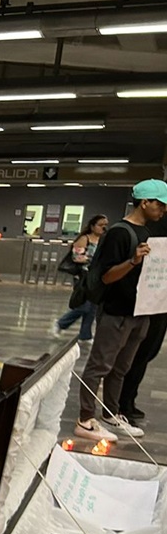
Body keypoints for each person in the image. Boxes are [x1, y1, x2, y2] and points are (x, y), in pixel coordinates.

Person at [74, 179, 167, 442]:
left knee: (121, 367)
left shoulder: (147, 233)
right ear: (144, 202)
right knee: (99, 366)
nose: (162, 211)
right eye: (159, 205)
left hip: (140, 312)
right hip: (117, 312)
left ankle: (110, 414)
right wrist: (133, 260)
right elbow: (105, 277)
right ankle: (85, 419)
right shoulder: (119, 232)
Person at [118, 204, 167, 422]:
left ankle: (129, 399)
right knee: (136, 352)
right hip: (146, 298)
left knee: (149, 352)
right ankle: (121, 402)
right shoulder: (148, 228)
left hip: (160, 299)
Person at [51, 214, 108, 343]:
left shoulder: (104, 241)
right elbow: (77, 257)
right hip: (84, 276)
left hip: (97, 278)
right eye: (100, 225)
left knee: (92, 307)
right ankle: (61, 323)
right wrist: (92, 260)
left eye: (105, 225)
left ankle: (85, 334)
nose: (103, 228)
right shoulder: (84, 239)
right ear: (92, 226)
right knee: (84, 306)